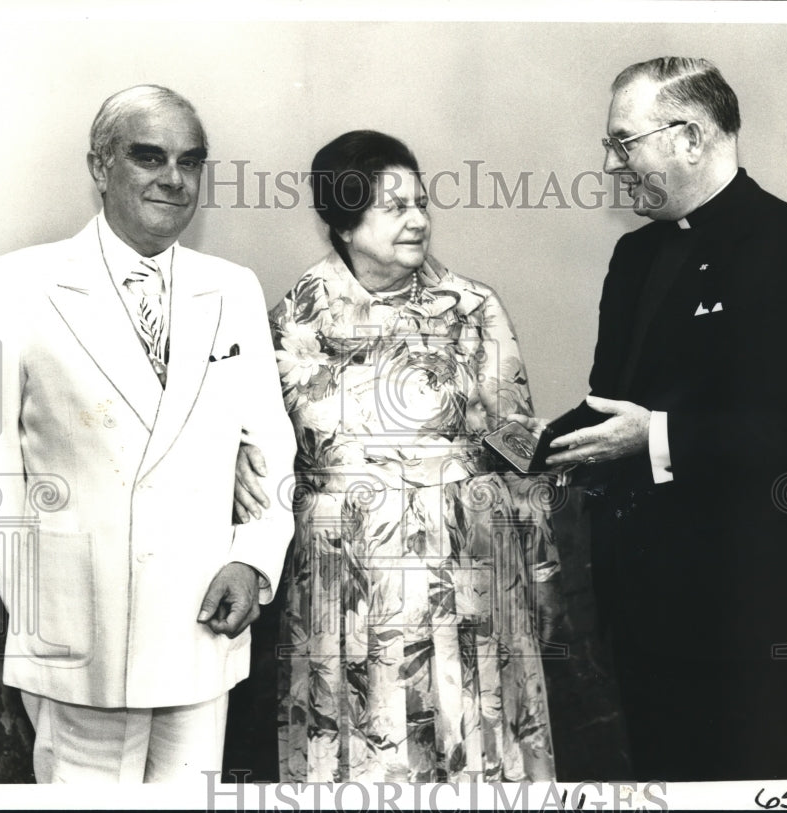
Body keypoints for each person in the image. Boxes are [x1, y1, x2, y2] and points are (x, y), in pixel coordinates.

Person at [0, 84, 296, 783]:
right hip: (78, 627)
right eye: (149, 157)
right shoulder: (21, 282)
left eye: (190, 161)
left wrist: (253, 559)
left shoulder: (232, 288)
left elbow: (271, 447)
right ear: (100, 167)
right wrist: (38, 585)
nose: (173, 178)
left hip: (200, 624)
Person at [524, 58, 787, 781]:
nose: (611, 165)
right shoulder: (633, 254)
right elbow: (611, 402)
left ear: (692, 137)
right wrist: (521, 438)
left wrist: (658, 437)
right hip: (637, 601)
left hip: (745, 608)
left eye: (622, 143)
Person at [239, 130, 558, 782]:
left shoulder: (472, 308)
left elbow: (518, 439)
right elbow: (260, 459)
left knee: (473, 757)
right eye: (394, 207)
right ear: (346, 221)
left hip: (467, 583)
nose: (418, 220)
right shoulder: (288, 323)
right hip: (346, 594)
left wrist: (541, 565)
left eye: (422, 202)